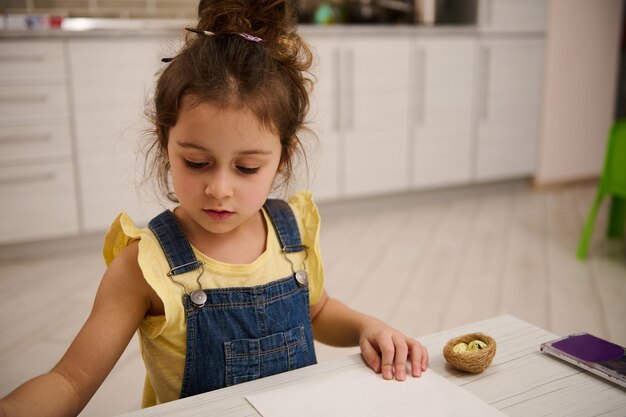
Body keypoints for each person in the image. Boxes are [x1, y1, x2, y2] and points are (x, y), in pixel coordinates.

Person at [0, 1, 428, 415]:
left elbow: (316, 309)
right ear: (165, 142)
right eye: (197, 163)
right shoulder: (143, 266)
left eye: (246, 167)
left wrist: (365, 327)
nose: (219, 189)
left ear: (283, 157)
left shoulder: (290, 232)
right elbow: (70, 382)